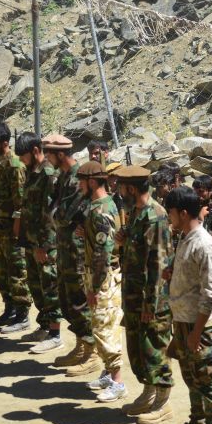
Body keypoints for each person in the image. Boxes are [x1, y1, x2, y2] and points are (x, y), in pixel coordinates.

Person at [163, 186, 212, 424]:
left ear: (183, 212)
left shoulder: (203, 242)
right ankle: (197, 423)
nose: (169, 218)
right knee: (191, 377)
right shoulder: (186, 237)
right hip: (184, 321)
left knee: (206, 379)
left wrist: (196, 332)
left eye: (172, 213)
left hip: (198, 324)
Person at [114, 164, 175, 422]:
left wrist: (151, 304)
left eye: (120, 187)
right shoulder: (136, 213)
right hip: (134, 295)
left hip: (152, 299)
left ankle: (163, 402)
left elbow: (158, 265)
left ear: (130, 188)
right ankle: (148, 392)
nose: (118, 192)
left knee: (155, 349)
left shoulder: (155, 216)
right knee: (139, 349)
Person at [42, 133, 95, 373]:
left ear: (60, 154)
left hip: (77, 249)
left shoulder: (78, 178)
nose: (46, 158)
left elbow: (63, 214)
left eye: (49, 153)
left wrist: (55, 214)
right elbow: (54, 211)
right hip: (65, 246)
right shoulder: (62, 177)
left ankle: (91, 351)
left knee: (79, 299)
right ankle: (81, 345)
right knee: (67, 299)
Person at [76, 160, 126, 402]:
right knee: (101, 325)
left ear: (92, 182)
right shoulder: (100, 206)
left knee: (104, 327)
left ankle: (117, 382)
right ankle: (108, 373)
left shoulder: (100, 210)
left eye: (81, 181)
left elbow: (104, 251)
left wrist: (95, 286)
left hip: (103, 276)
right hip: (100, 274)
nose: (78, 186)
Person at [16, 132, 64, 354]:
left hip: (46, 243)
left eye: (24, 156)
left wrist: (43, 245)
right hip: (32, 240)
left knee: (50, 287)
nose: (22, 160)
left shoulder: (47, 173)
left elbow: (48, 214)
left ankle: (55, 334)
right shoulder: (31, 171)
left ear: (36, 151)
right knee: (36, 285)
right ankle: (44, 326)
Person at [0, 120, 31, 331]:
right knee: (1, 271)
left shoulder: (15, 166)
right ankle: (9, 309)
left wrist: (16, 230)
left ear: (4, 143)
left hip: (11, 231)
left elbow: (20, 202)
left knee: (16, 272)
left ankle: (22, 315)